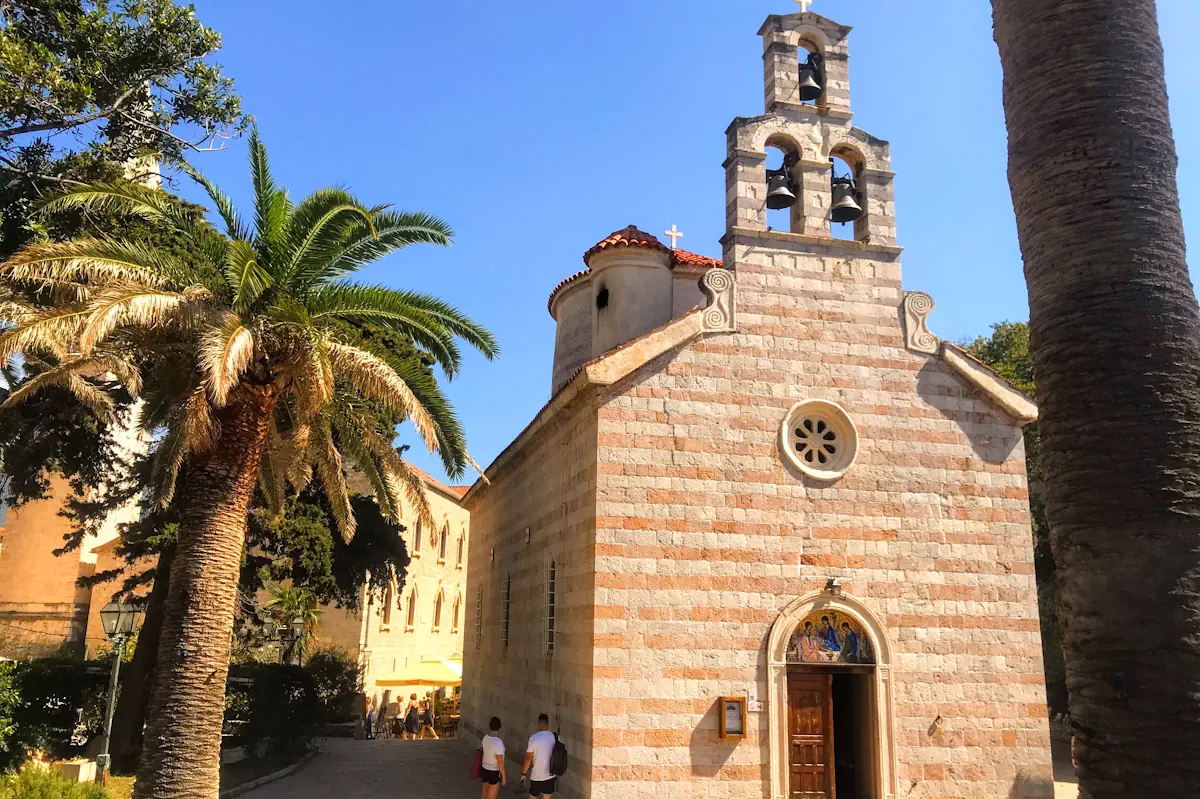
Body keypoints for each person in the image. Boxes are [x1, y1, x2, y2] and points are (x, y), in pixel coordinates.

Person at [521, 713, 557, 798]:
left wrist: (523, 773)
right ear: (547, 725)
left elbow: (528, 758)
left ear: (538, 724)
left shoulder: (533, 738)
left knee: (533, 796)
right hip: (550, 775)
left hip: (536, 776)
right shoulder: (555, 737)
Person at [480, 716, 506, 799]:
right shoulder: (498, 742)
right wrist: (504, 776)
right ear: (499, 727)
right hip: (494, 772)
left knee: (484, 795)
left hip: (484, 769)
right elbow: (500, 761)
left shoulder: (485, 738)